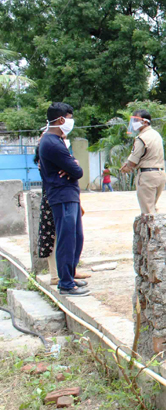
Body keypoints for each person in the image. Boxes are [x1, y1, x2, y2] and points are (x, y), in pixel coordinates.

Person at [37, 103, 90, 296]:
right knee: (66, 238)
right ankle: (65, 283)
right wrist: (72, 166)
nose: (70, 122)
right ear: (61, 120)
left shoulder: (56, 140)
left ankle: (70, 274)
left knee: (76, 236)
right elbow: (77, 170)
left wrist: (71, 167)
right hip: (61, 195)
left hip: (69, 194)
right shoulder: (50, 142)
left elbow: (73, 169)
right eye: (69, 118)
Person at [120, 110, 166, 215]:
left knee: (148, 213)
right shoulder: (156, 135)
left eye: (136, 120)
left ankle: (151, 231)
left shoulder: (141, 138)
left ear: (145, 122)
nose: (133, 123)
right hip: (160, 174)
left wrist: (127, 167)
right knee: (152, 207)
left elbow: (133, 161)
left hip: (147, 176)